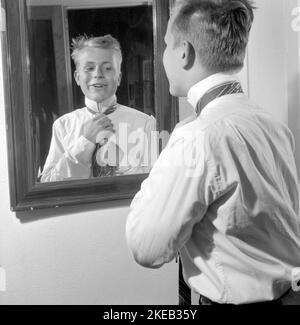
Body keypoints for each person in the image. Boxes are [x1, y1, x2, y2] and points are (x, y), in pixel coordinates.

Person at [126, 0, 300, 305]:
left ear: (184, 52)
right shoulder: (274, 127)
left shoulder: (196, 138)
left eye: (166, 44)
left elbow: (147, 247)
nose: (162, 54)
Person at [40, 34, 155, 182]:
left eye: (107, 68)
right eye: (89, 68)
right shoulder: (63, 126)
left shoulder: (145, 124)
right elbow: (48, 184)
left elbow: (154, 183)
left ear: (119, 78)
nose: (98, 74)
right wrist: (85, 142)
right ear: (77, 77)